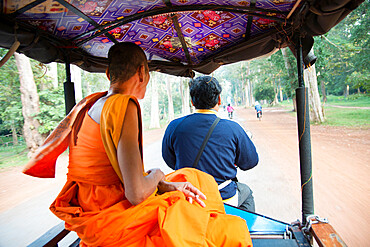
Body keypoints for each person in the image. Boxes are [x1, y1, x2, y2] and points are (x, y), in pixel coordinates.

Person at [22, 43, 252, 247]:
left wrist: (163, 184)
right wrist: (158, 174)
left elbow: (119, 174)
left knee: (191, 178)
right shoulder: (124, 105)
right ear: (142, 72)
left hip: (89, 208)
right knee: (226, 225)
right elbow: (136, 195)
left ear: (108, 72)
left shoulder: (88, 104)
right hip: (112, 215)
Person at [162, 75, 259, 212]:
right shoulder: (232, 128)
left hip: (188, 195)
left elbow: (171, 161)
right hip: (223, 196)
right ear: (219, 99)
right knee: (247, 193)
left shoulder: (174, 126)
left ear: (192, 101)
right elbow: (250, 162)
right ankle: (246, 231)